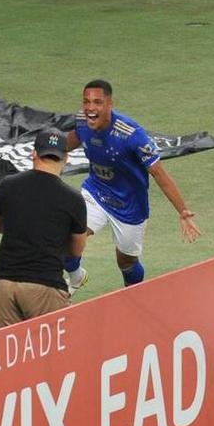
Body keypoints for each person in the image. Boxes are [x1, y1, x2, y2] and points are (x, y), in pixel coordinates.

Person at [63, 80, 201, 291]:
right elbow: (72, 140)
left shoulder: (131, 134)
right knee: (70, 235)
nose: (90, 108)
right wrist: (47, 152)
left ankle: (133, 295)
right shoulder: (83, 121)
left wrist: (183, 211)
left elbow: (158, 173)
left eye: (97, 102)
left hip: (129, 206)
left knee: (126, 262)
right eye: (86, 102)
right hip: (96, 192)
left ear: (110, 104)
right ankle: (76, 277)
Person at [0, 128, 88, 327]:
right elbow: (76, 249)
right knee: (53, 356)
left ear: (34, 153)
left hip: (5, 284)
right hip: (45, 286)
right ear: (65, 158)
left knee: (10, 356)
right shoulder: (73, 199)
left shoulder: (8, 185)